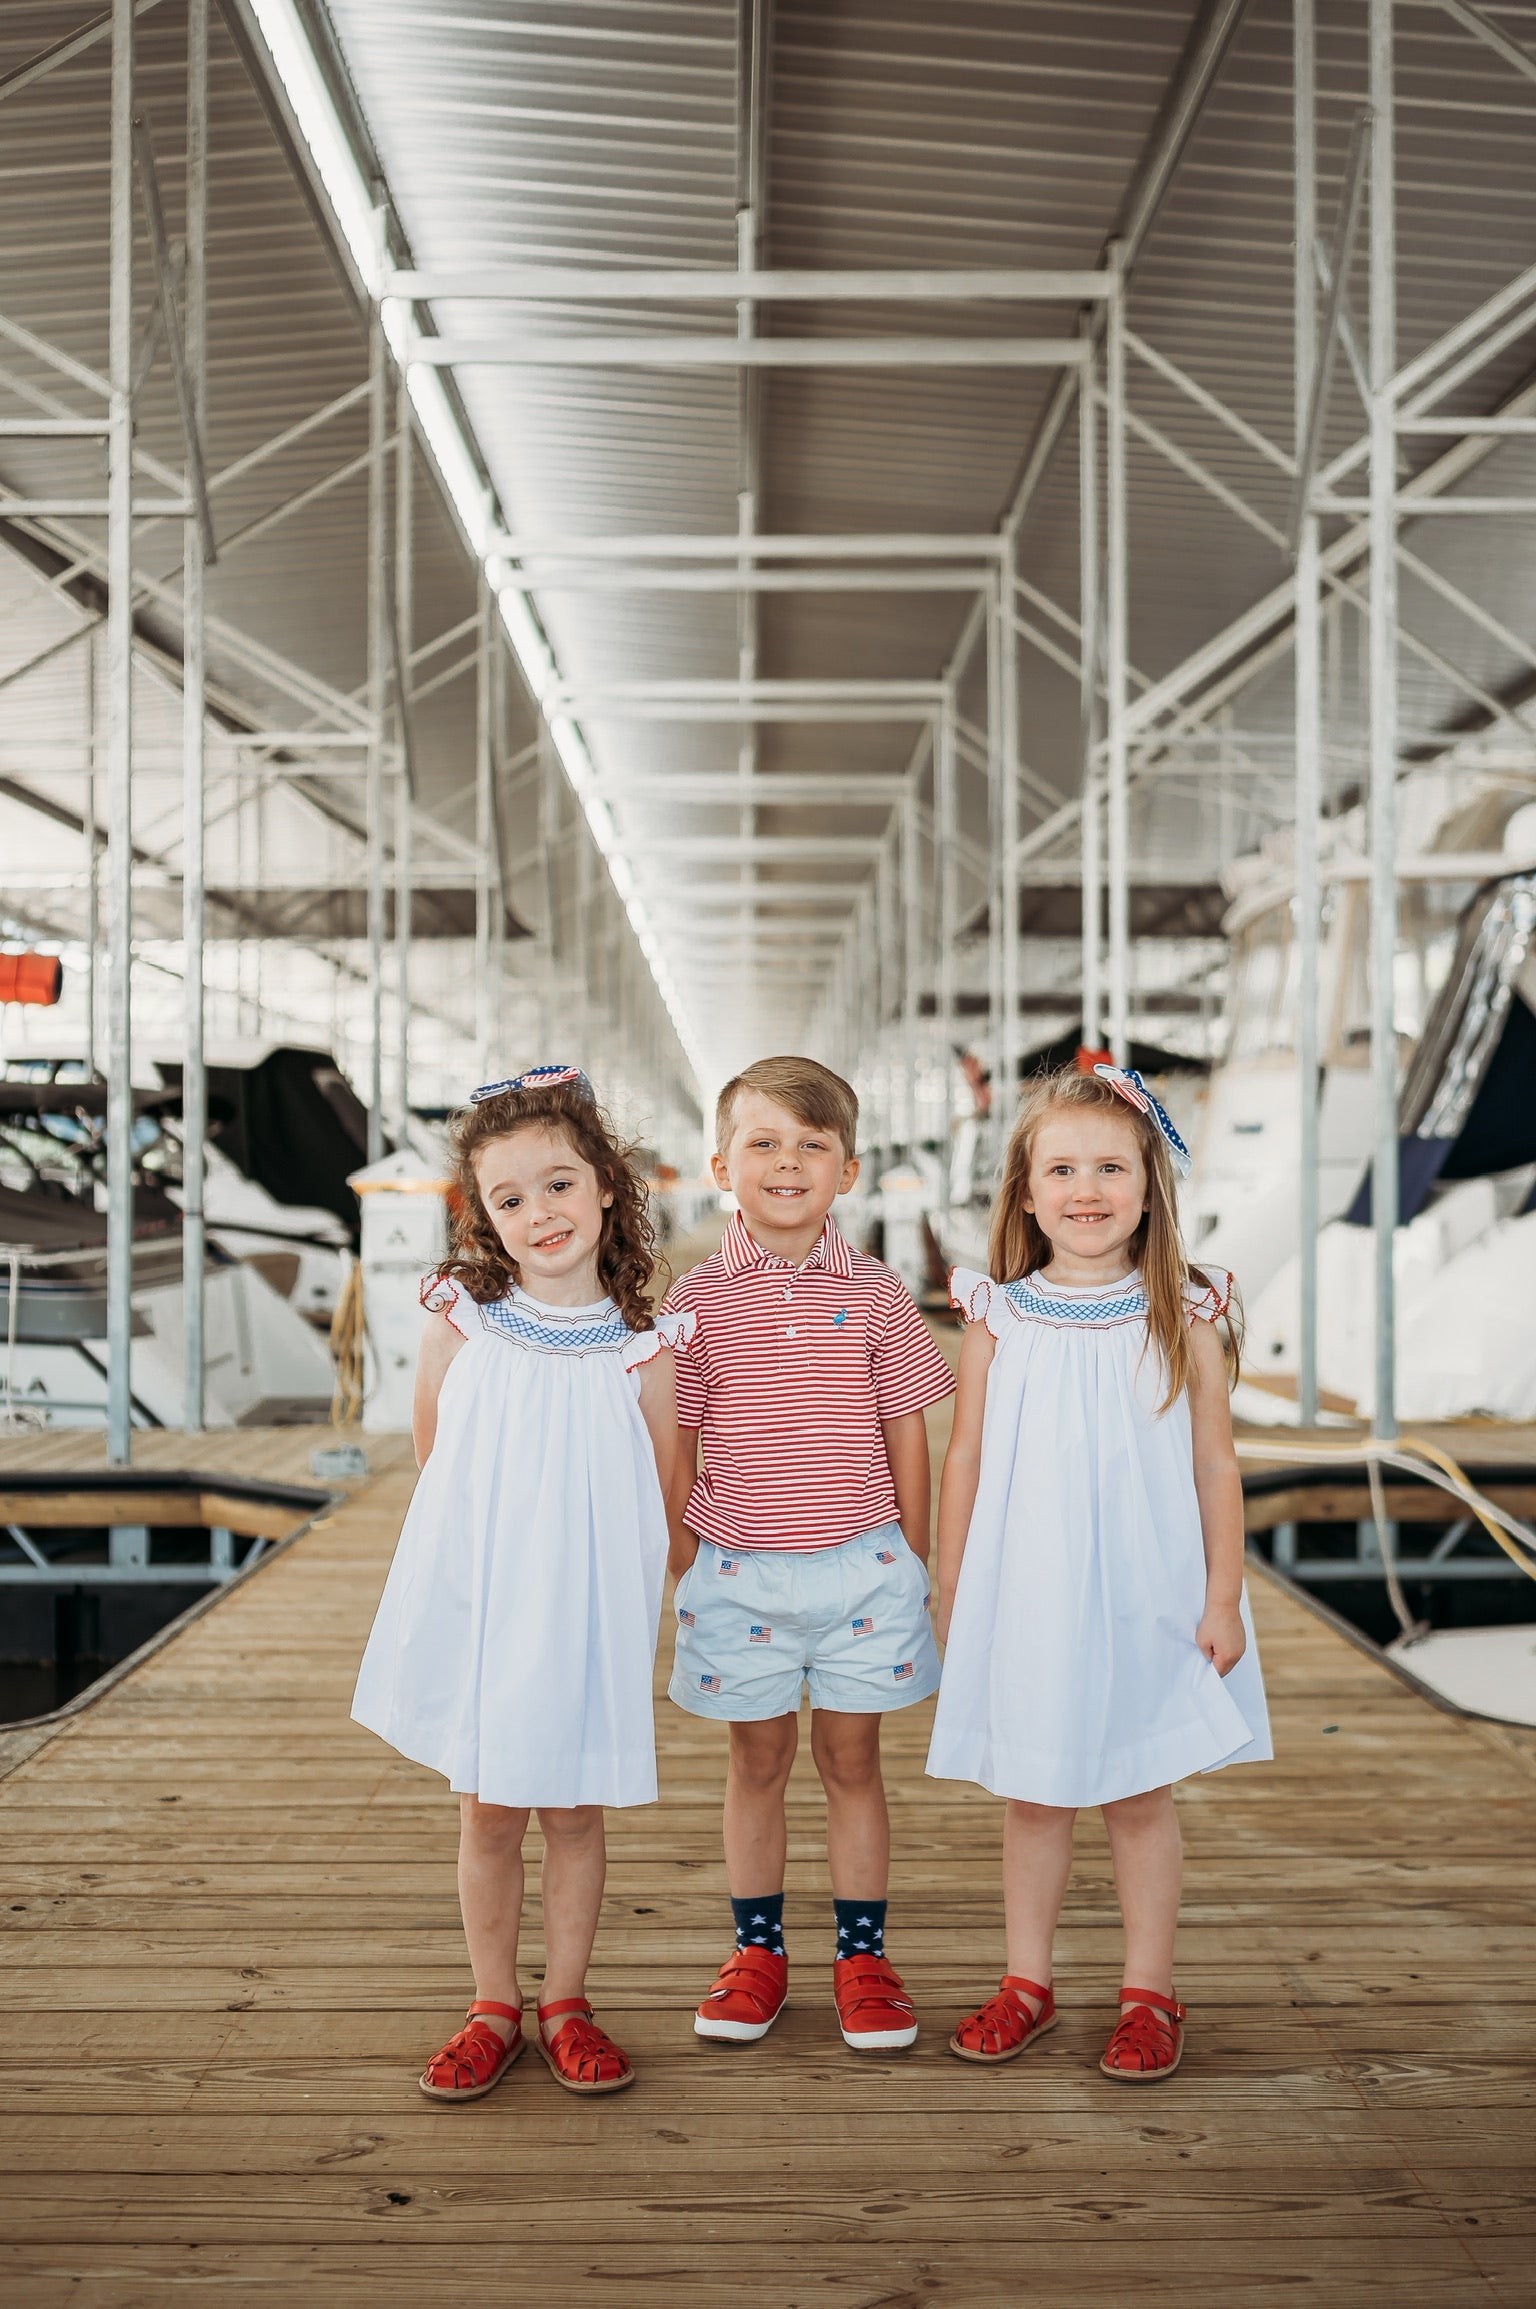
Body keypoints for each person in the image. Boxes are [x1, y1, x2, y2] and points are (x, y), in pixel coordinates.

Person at [352, 1064, 690, 2102]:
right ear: (484, 1219)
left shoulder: (645, 1348)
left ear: (605, 1187)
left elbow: (668, 1493)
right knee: (490, 1807)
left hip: (587, 1605)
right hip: (491, 1595)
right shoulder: (464, 1317)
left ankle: (567, 1998)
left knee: (577, 1808)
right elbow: (433, 1447)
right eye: (509, 1198)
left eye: (558, 1184)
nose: (539, 1211)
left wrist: (641, 1608)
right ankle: (493, 1999)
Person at [929, 1062, 1271, 2081]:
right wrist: (952, 1583)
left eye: (1112, 1166)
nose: (1087, 1188)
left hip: (1148, 1589)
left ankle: (1149, 1989)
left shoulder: (1186, 1312)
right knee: (1034, 1793)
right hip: (1031, 1585)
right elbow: (970, 1454)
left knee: (1138, 1790)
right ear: (1026, 1193)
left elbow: (1217, 1459)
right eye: (1063, 1167)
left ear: (1149, 1188)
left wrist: (1222, 1595)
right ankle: (1026, 1980)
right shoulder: (999, 1311)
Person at [662, 1056, 956, 2053]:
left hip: (863, 1563)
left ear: (850, 1169)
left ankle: (862, 1954)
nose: (788, 1161)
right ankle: (757, 1950)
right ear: (720, 1162)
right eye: (764, 1140)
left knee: (852, 1756)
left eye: (812, 1144)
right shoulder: (694, 1298)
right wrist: (674, 1547)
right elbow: (680, 1434)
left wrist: (914, 1552)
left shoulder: (876, 1290)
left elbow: (907, 1426)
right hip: (739, 1566)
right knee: (757, 1756)